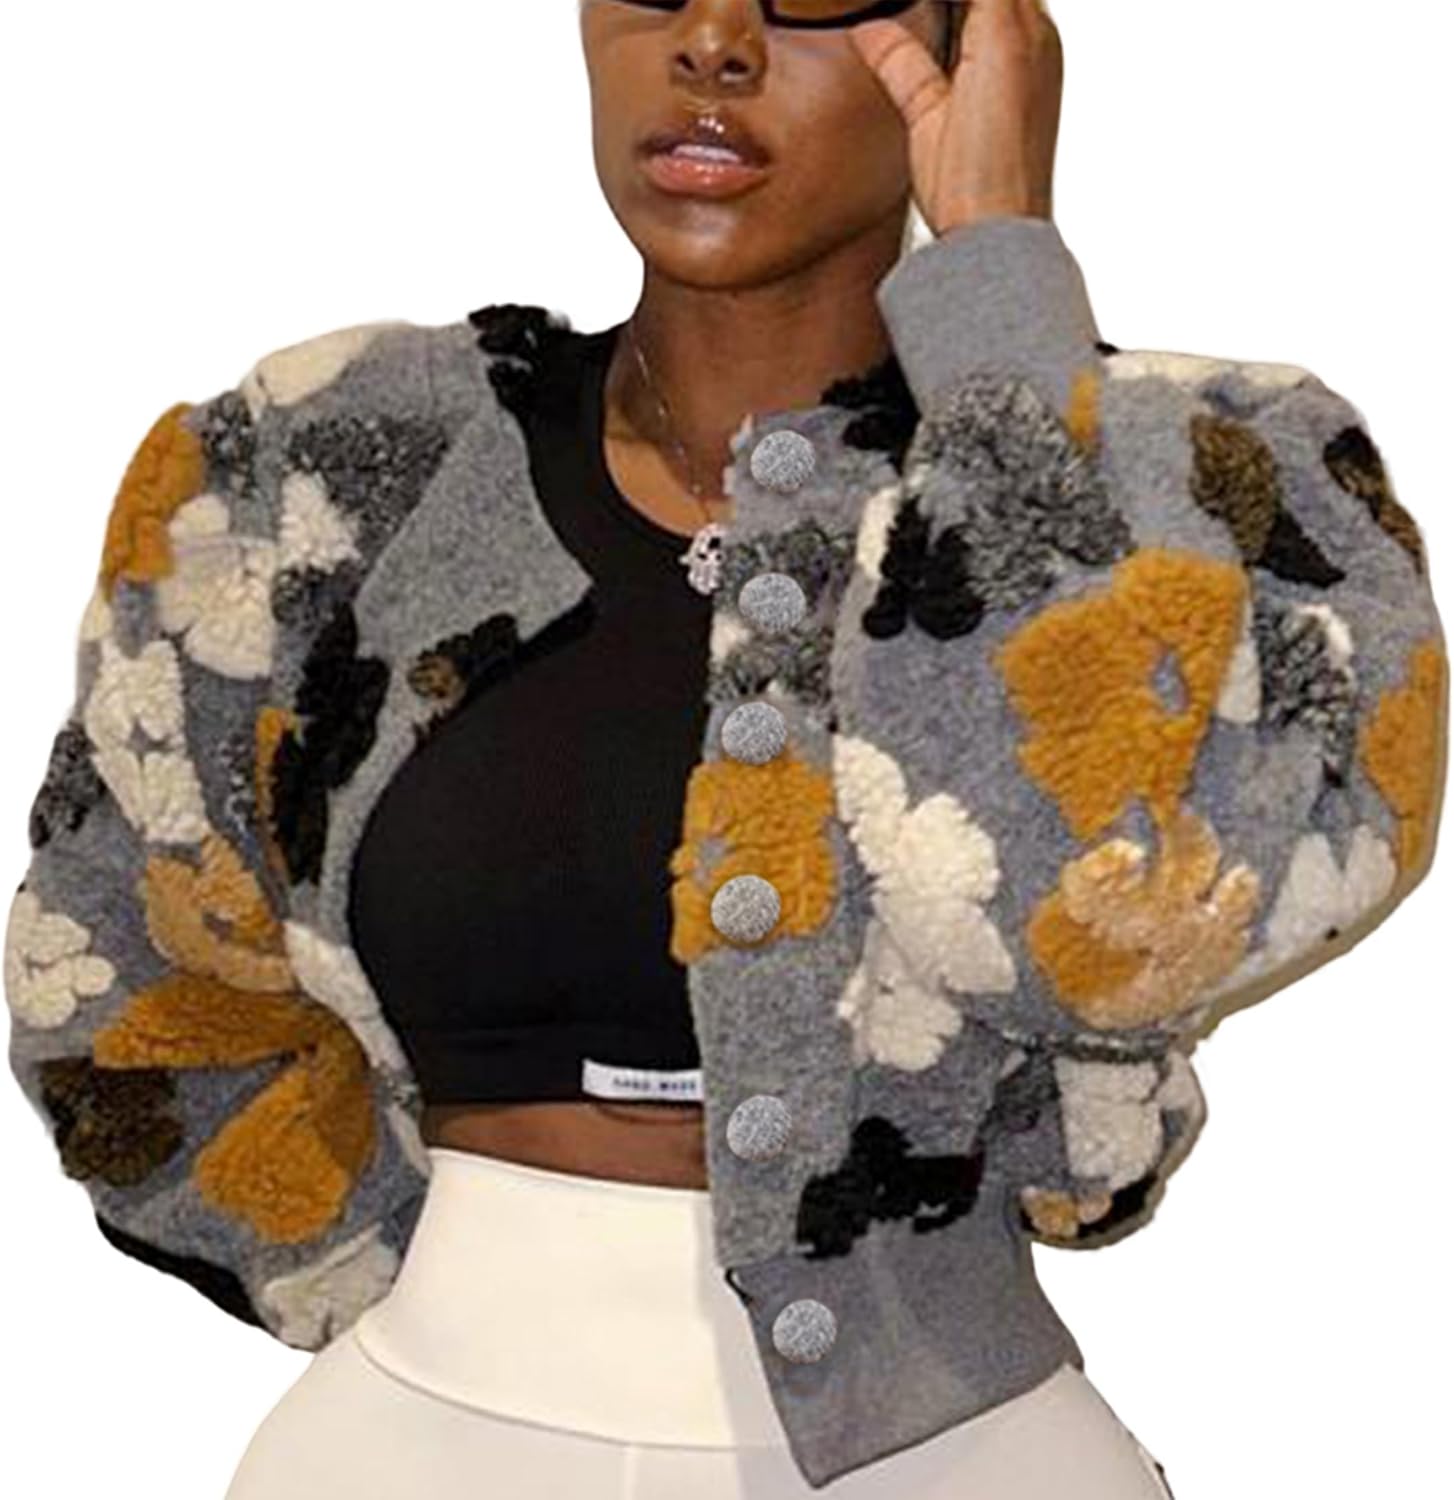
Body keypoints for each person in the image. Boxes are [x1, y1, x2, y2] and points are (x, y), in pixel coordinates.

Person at [3, 2, 1445, 1497]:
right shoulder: (326, 472)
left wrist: (1002, 299)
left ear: (976, 44)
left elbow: (1109, 931)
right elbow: (117, 983)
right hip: (412, 1448)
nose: (710, 40)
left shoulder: (1213, 487)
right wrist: (460, 1303)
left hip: (959, 1461)